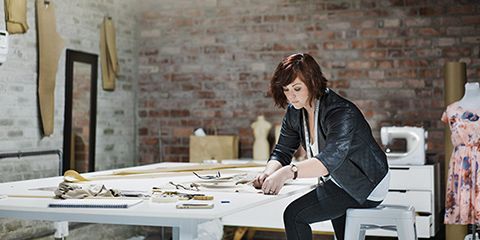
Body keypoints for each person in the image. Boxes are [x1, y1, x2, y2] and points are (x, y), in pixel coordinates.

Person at [252, 53, 390, 240]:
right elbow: (282, 151)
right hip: (339, 181)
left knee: (294, 216)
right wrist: (268, 173)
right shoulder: (295, 112)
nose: (291, 96)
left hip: (367, 182)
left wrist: (286, 172)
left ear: (312, 82)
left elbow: (329, 160)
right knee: (343, 234)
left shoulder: (340, 112)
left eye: (297, 88)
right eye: (286, 90)